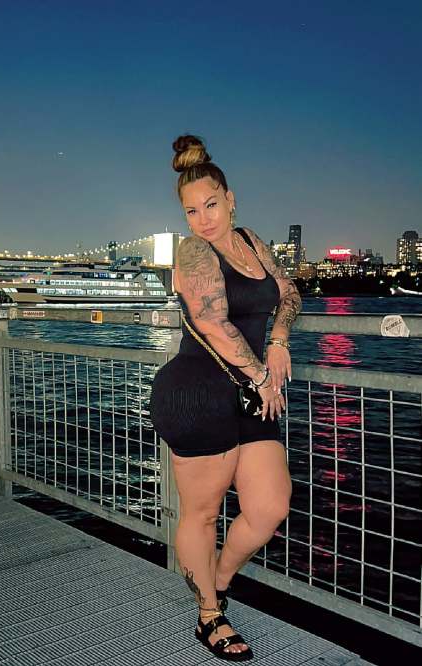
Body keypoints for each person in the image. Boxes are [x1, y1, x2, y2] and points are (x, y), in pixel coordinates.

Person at [149, 134, 302, 660]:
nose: (203, 219)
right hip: (200, 393)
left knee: (269, 506)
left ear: (230, 198)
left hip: (252, 392)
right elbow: (212, 322)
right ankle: (209, 615)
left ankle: (216, 580)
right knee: (202, 513)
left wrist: (278, 340)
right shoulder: (193, 251)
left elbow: (290, 293)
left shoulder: (252, 242)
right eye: (191, 211)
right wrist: (261, 376)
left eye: (211, 205)